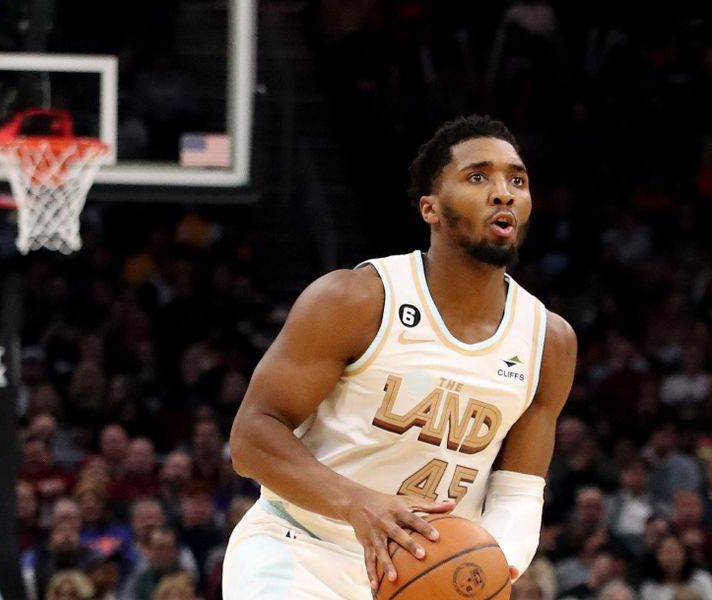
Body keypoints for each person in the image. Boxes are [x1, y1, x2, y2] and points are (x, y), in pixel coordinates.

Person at [222, 115, 577, 599]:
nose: (503, 192)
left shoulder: (548, 340)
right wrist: (356, 504)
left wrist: (490, 570)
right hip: (303, 551)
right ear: (430, 208)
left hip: (426, 572)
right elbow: (251, 439)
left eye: (517, 179)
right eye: (478, 177)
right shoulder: (356, 299)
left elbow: (518, 492)